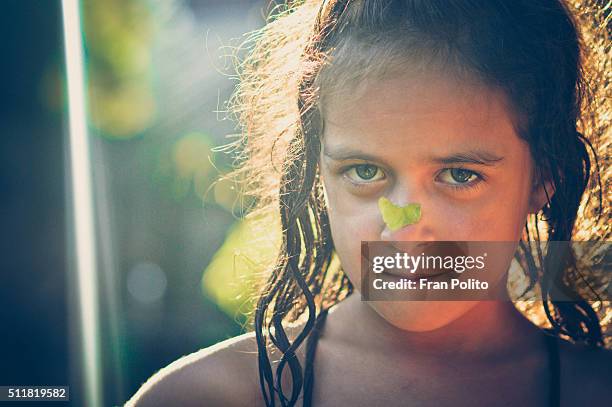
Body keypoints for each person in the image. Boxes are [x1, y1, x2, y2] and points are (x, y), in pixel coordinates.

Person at [126, 0, 611, 405]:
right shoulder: (207, 398)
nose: (403, 230)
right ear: (315, 173)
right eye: (364, 172)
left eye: (460, 175)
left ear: (544, 178)